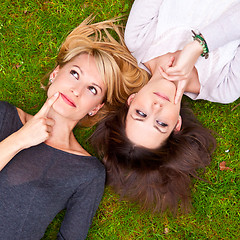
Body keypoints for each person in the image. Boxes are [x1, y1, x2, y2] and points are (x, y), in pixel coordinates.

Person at [0, 17, 148, 239]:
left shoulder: (87, 174)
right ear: (55, 74)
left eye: (92, 89)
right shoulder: (3, 116)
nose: (76, 90)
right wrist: (20, 139)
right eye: (74, 74)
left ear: (95, 108)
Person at [91, 0, 240, 213]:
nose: (157, 106)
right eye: (160, 123)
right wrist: (198, 46)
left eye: (141, 114)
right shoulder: (224, 86)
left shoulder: (139, 39)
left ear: (131, 100)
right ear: (176, 125)